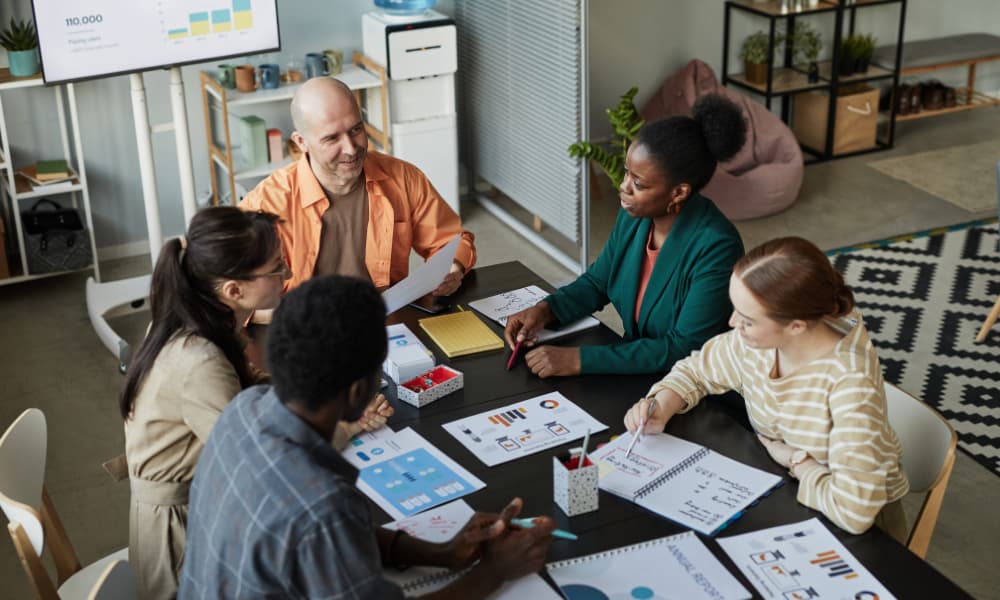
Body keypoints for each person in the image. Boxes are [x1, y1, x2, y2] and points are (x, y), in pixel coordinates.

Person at [178, 275, 555, 598]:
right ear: (359, 391)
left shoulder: (243, 410)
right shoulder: (324, 505)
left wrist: (443, 552)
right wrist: (495, 571)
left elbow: (331, 543)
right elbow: (325, 527)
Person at [118, 207, 391, 599]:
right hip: (183, 538)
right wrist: (346, 425)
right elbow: (262, 459)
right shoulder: (199, 362)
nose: (289, 275)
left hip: (202, 501)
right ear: (234, 290)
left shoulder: (201, 319)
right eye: (277, 269)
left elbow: (250, 388)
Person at [624, 237, 910, 539]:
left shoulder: (849, 384)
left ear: (796, 325)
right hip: (786, 491)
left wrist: (797, 460)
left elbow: (854, 512)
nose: (733, 323)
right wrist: (661, 404)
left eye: (747, 320)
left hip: (862, 532)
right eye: (735, 309)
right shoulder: (759, 341)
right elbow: (697, 369)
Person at [504, 94, 746, 378]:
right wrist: (546, 310)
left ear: (679, 192)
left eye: (638, 183)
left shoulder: (717, 246)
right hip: (640, 373)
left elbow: (684, 348)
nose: (623, 187)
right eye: (626, 174)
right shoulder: (636, 217)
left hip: (695, 388)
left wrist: (579, 360)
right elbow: (599, 282)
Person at [239, 76, 475, 298]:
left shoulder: (403, 178)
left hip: (383, 319)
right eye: (331, 138)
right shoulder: (265, 203)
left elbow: (450, 241)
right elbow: (228, 292)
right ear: (302, 142)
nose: (351, 149)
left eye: (356, 130)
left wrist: (453, 268)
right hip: (301, 328)